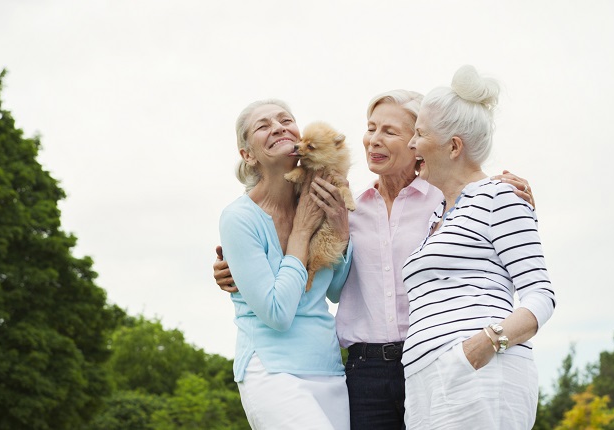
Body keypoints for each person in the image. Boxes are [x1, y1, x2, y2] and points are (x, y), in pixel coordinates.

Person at [215, 90, 535, 429]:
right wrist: (230, 269)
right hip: (363, 370)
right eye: (371, 128)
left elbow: (494, 228)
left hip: (428, 359)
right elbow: (327, 282)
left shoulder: (447, 201)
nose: (373, 140)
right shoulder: (346, 206)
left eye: (390, 131)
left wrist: (508, 195)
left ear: (417, 143)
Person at [403, 65, 556, 429]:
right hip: (425, 378)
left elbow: (540, 294)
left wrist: (484, 344)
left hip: (478, 371)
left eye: (419, 134)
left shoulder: (499, 195)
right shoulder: (437, 215)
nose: (411, 144)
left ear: (454, 146)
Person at [218, 99, 354, 429]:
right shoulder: (239, 219)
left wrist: (341, 231)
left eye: (286, 120)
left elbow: (336, 291)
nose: (279, 127)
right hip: (271, 369)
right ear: (248, 155)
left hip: (328, 368)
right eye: (263, 126)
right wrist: (303, 230)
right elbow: (277, 314)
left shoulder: (324, 197)